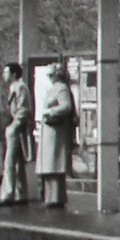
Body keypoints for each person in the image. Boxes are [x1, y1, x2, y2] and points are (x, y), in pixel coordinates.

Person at [34, 60, 78, 209]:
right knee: (50, 165)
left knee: (54, 164)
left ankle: (55, 198)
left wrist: (50, 111)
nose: (49, 78)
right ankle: (50, 197)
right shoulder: (55, 88)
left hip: (56, 133)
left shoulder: (61, 88)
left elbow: (66, 106)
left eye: (51, 75)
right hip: (51, 133)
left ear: (57, 75)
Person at [0, 61, 33, 206]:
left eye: (6, 72)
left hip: (16, 129)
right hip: (17, 128)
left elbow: (23, 109)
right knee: (18, 162)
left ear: (13, 74)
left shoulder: (20, 87)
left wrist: (13, 126)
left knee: (9, 162)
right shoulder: (15, 87)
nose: (4, 75)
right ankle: (21, 193)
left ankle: (7, 195)